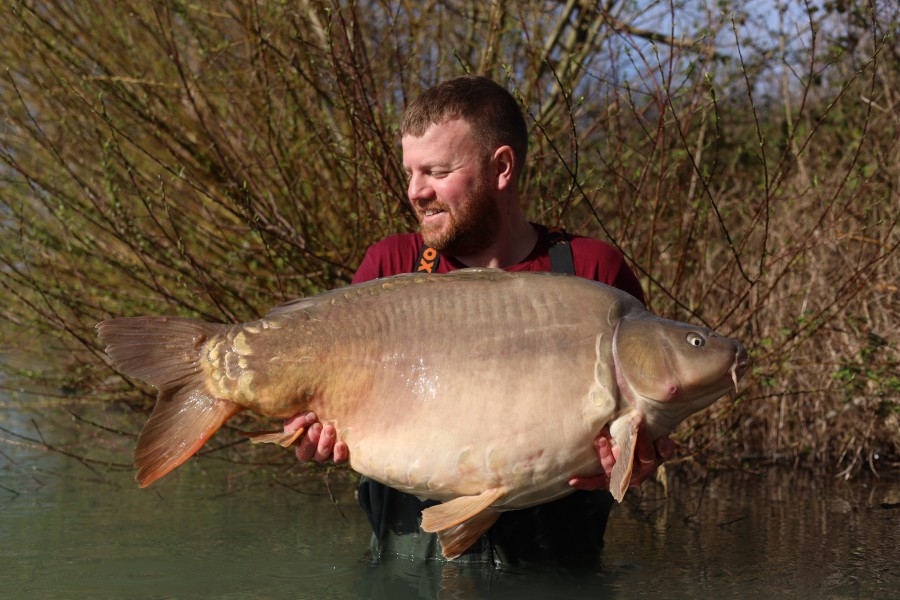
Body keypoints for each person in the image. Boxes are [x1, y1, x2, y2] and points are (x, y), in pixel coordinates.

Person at [283, 75, 673, 565]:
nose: (415, 192)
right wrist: (308, 435)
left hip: (555, 576)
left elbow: (651, 430)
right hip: (405, 580)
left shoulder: (594, 274)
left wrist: (639, 462)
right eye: (410, 172)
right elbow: (318, 409)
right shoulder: (389, 267)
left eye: (436, 171)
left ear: (502, 168)